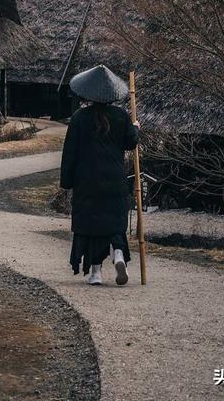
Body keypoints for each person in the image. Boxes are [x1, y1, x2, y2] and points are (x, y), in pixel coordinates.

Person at [60, 65, 139, 286]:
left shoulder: (79, 118)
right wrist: (135, 128)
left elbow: (70, 153)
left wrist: (66, 181)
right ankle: (119, 255)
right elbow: (131, 143)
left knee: (91, 226)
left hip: (87, 180)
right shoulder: (122, 116)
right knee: (114, 222)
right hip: (114, 179)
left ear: (87, 93)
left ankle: (95, 273)